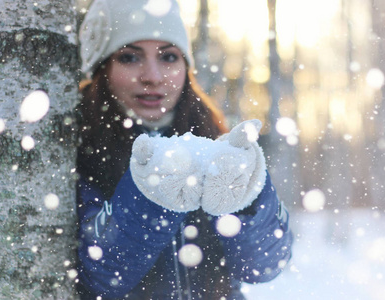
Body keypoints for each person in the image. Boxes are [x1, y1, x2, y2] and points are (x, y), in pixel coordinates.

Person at [76, 0, 293, 299]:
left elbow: (265, 266)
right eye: (129, 57)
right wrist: (152, 192)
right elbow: (103, 275)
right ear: (103, 68)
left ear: (185, 67)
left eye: (168, 56)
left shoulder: (214, 138)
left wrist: (249, 194)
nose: (152, 75)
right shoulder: (78, 149)